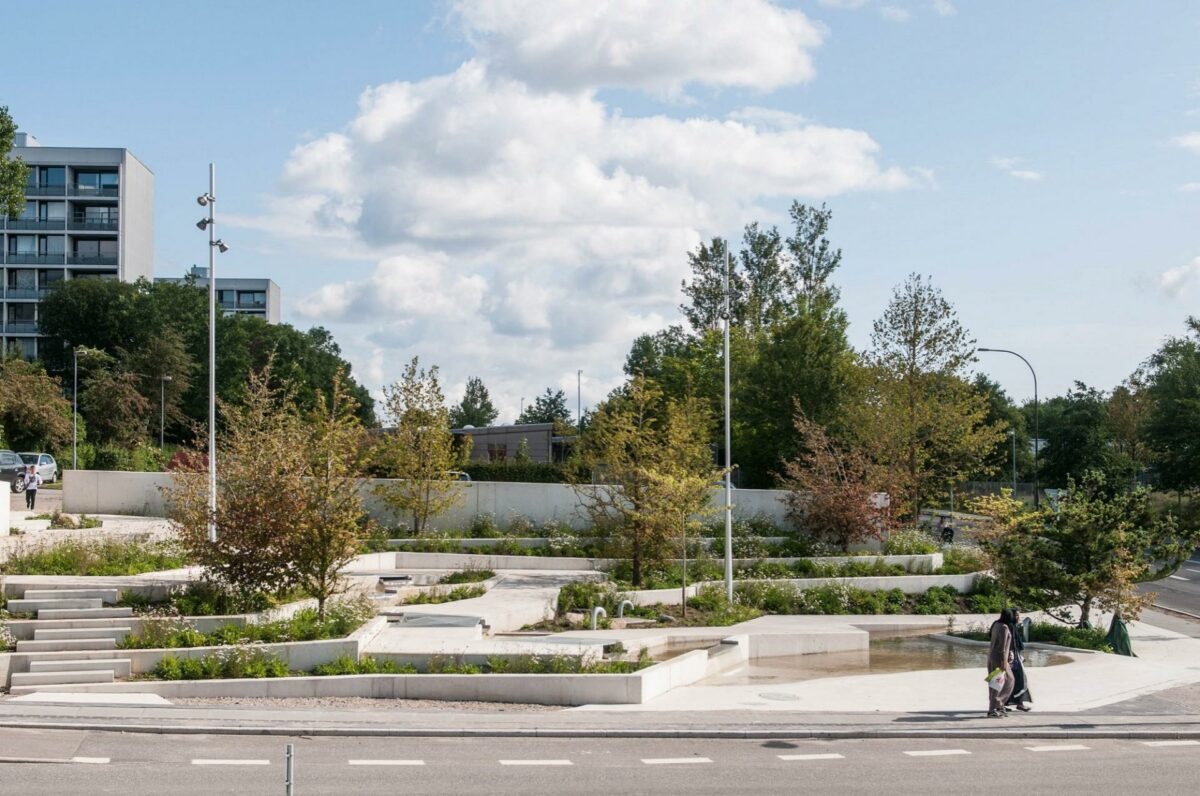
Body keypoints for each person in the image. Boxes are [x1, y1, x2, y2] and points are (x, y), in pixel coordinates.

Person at [986, 607, 1017, 718]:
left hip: (992, 657)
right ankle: (993, 707)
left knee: (997, 682)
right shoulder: (1004, 627)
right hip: (999, 658)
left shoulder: (996, 624)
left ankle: (998, 706)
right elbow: (1003, 647)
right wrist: (1004, 661)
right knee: (1004, 682)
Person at [1005, 608, 1033, 711]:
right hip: (1012, 658)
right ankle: (1015, 703)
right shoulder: (1009, 626)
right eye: (1016, 615)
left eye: (1018, 615)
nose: (1018, 618)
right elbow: (1010, 643)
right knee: (1018, 680)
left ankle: (1014, 703)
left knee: (1015, 680)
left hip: (1014, 656)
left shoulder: (1012, 626)